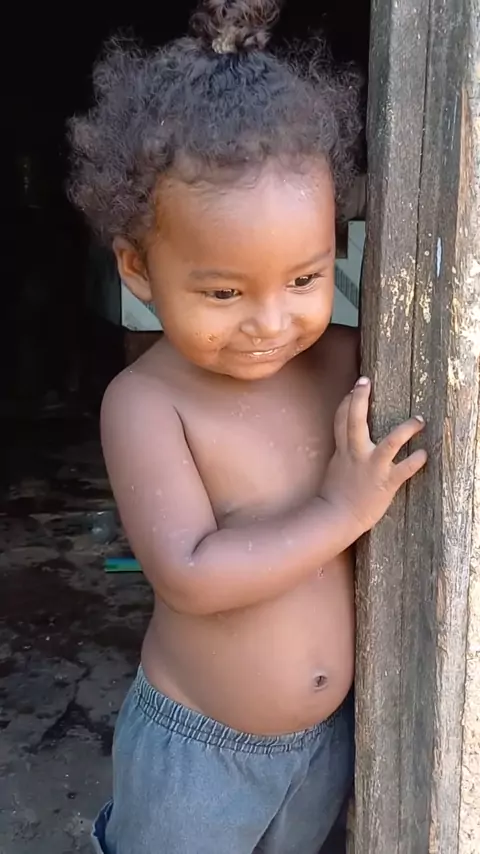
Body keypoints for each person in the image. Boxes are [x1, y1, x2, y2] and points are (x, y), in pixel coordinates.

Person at [68, 2, 427, 851]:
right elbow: (190, 573)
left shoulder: (351, 360)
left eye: (304, 278)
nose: (270, 321)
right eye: (225, 292)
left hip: (326, 743)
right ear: (138, 267)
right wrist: (341, 511)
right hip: (200, 755)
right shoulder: (147, 404)